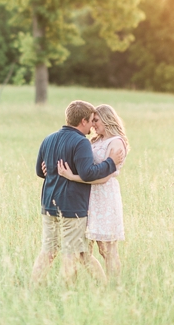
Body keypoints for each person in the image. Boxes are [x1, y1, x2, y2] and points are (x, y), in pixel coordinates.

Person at [31, 100, 117, 284]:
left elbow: (40, 171)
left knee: (49, 250)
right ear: (83, 121)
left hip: (48, 205)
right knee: (71, 252)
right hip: (71, 207)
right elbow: (87, 173)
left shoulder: (49, 139)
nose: (92, 126)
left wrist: (51, 170)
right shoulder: (81, 142)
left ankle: (32, 287)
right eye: (91, 121)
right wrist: (110, 163)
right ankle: (69, 294)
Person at [56, 104, 129, 281]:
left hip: (105, 197)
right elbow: (80, 162)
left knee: (107, 250)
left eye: (96, 120)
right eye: (92, 120)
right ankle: (99, 284)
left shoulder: (117, 142)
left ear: (107, 119)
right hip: (86, 197)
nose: (93, 125)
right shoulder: (94, 141)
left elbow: (104, 177)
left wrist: (72, 177)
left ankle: (113, 287)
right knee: (83, 249)